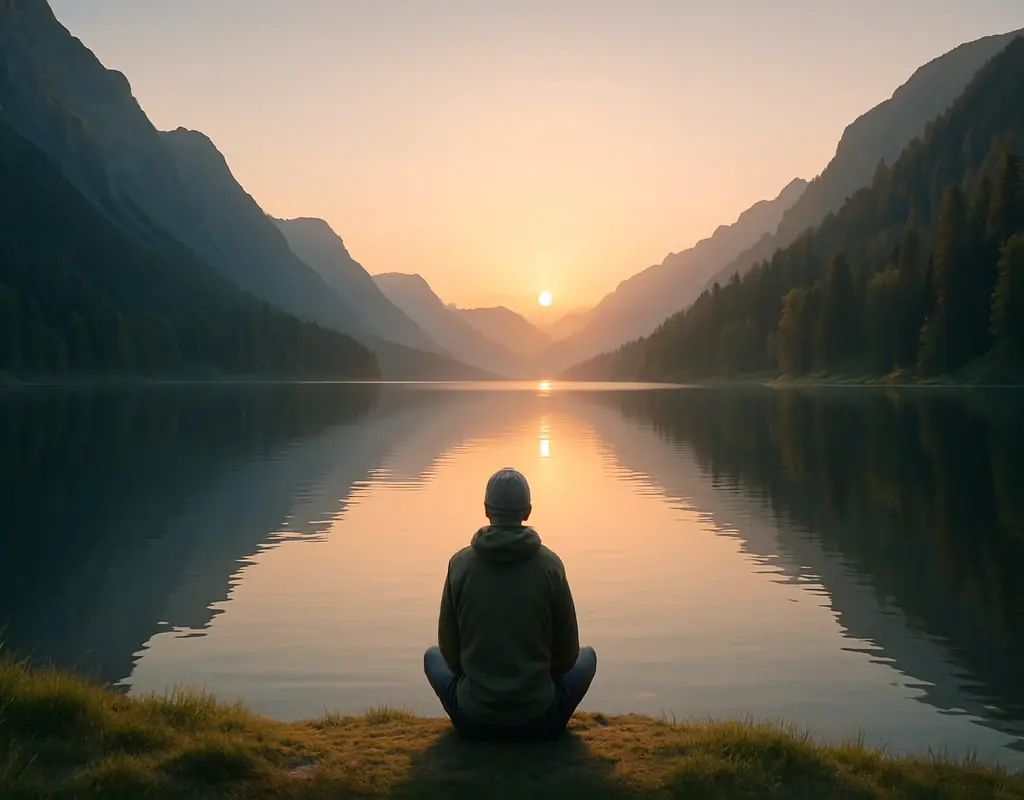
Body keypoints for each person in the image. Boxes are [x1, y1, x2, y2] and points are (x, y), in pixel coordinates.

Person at [423, 466, 597, 741]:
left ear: (486, 509)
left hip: (474, 718)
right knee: (588, 657)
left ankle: (478, 714)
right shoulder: (550, 566)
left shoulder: (459, 565)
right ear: (527, 511)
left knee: (432, 656)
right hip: (540, 719)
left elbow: (450, 653)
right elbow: (567, 657)